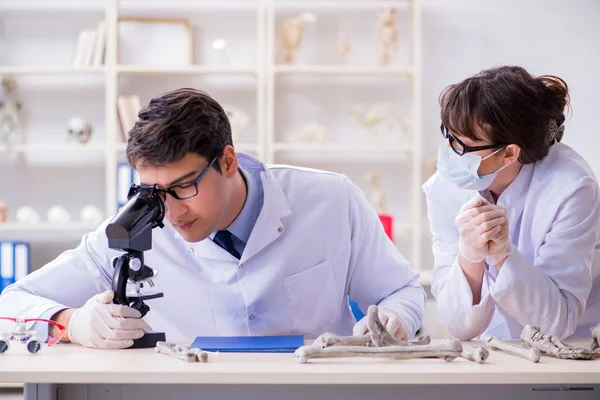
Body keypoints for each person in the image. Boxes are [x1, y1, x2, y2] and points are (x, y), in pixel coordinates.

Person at [0, 88, 425, 349]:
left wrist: (396, 318)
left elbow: (402, 291)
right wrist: (72, 322)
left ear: (226, 161)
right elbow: (11, 302)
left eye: (184, 186)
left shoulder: (331, 200)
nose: (171, 211)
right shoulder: (135, 227)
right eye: (155, 192)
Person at [422, 65, 600, 340]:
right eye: (449, 134)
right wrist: (470, 254)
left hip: (572, 346)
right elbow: (458, 326)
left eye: (463, 146)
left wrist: (502, 254)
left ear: (509, 153)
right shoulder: (444, 188)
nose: (448, 151)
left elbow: (559, 322)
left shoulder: (571, 187)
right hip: (495, 347)